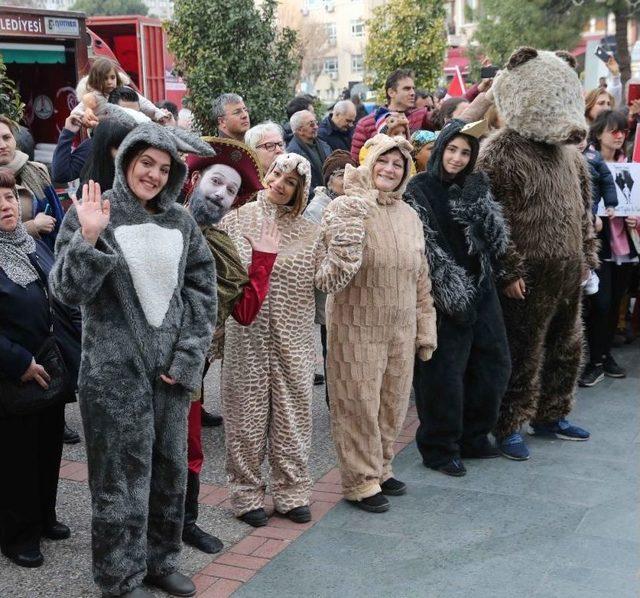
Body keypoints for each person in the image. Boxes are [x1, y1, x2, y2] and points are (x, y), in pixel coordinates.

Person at [50, 123, 217, 598]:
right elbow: (64, 292)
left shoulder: (182, 221)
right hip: (112, 377)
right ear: (126, 160)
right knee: (118, 482)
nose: (155, 175)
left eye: (165, 168)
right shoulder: (93, 210)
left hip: (171, 378)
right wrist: (88, 238)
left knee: (169, 473)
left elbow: (201, 294)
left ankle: (161, 561)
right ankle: (119, 577)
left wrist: (188, 359)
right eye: (147, 163)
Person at [219, 152, 357, 527]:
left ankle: (291, 491)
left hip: (293, 340)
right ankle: (246, 494)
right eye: (277, 173)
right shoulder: (236, 219)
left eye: (290, 181)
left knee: (293, 419)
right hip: (245, 337)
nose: (280, 183)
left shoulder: (311, 232)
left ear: (300, 189)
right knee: (244, 419)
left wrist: (347, 246)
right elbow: (225, 282)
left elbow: (327, 282)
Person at [477, 47, 598, 461]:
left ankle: (553, 413)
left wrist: (587, 256)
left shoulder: (570, 157)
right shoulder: (499, 152)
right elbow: (489, 220)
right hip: (525, 276)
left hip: (567, 270)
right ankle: (508, 422)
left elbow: (584, 209)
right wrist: (507, 270)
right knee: (521, 350)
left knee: (568, 344)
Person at [322, 135, 437, 511]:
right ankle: (359, 480)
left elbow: (421, 277)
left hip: (400, 327)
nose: (390, 169)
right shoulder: (347, 207)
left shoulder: (409, 215)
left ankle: (382, 467)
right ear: (369, 164)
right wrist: (349, 219)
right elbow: (328, 274)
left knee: (392, 402)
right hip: (356, 326)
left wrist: (425, 327)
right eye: (383, 162)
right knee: (358, 404)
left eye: (398, 164)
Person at [181, 137, 278, 554]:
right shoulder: (161, 222)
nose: (220, 194)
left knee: (190, 447)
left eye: (231, 191)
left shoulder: (221, 243)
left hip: (192, 368)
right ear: (196, 178)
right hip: (145, 364)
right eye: (216, 182)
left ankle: (185, 523)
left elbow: (243, 312)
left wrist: (263, 259)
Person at [405, 120, 511, 477]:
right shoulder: (419, 187)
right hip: (443, 292)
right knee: (442, 375)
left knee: (494, 363)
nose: (457, 158)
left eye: (466, 152)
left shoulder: (475, 185)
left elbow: (495, 242)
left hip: (481, 286)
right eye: (452, 149)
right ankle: (439, 447)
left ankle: (473, 436)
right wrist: (450, 288)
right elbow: (425, 247)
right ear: (440, 149)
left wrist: (479, 205)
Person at [0, 169, 80, 568]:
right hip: (14, 374)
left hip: (49, 367)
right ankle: (17, 535)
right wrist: (19, 362)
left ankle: (44, 516)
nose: (5, 205)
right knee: (17, 458)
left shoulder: (30, 243)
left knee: (47, 449)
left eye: (10, 196)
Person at [580, 110, 639, 386]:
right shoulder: (585, 161)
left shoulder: (631, 166)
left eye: (623, 132)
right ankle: (594, 359)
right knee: (600, 303)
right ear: (599, 132)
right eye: (613, 131)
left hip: (625, 246)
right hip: (598, 244)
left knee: (615, 302)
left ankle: (604, 356)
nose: (618, 136)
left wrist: (634, 217)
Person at [304, 149, 358, 404]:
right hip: (331, 292)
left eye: (349, 172)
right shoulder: (317, 209)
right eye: (338, 174)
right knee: (333, 348)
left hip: (354, 292)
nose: (345, 178)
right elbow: (312, 253)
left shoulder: (356, 202)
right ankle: (334, 400)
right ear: (328, 180)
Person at [350, 68, 480, 161]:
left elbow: (452, 109)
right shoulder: (366, 124)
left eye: (413, 88)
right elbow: (356, 161)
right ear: (391, 92)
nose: (412, 92)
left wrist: (478, 89)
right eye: (406, 88)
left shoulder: (421, 116)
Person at [52, 90, 145, 184]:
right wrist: (68, 133)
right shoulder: (95, 145)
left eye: (136, 114)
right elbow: (61, 174)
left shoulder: (146, 146)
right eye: (125, 114)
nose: (132, 120)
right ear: (109, 114)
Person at [0, 116, 64, 250]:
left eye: (6, 137)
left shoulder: (37, 170)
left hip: (46, 258)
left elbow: (59, 219)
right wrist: (33, 227)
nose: (3, 145)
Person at [71, 58, 169, 128]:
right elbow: (75, 113)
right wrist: (85, 116)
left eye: (112, 77)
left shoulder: (125, 91)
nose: (109, 82)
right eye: (105, 78)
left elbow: (144, 104)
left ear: (117, 77)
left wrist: (158, 113)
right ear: (96, 80)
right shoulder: (93, 97)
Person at [286, 110, 332, 197]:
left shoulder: (325, 146)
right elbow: (299, 185)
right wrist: (320, 196)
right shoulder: (292, 154)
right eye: (311, 124)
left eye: (316, 123)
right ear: (300, 130)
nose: (316, 127)